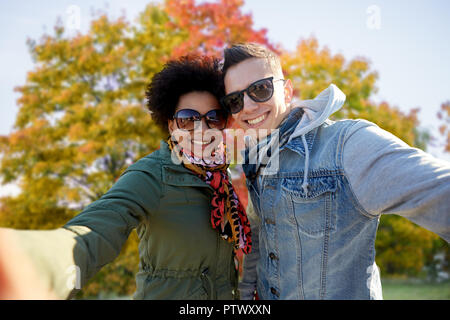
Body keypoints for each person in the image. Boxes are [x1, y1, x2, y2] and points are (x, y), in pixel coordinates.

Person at [0, 55, 251, 300]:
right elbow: (98, 227)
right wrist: (32, 263)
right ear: (172, 125)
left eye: (213, 118)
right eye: (188, 119)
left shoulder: (220, 179)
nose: (202, 129)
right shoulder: (152, 175)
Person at [220, 43, 450, 300]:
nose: (248, 106)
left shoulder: (346, 145)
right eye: (235, 100)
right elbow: (259, 245)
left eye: (260, 89)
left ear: (286, 92)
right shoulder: (256, 161)